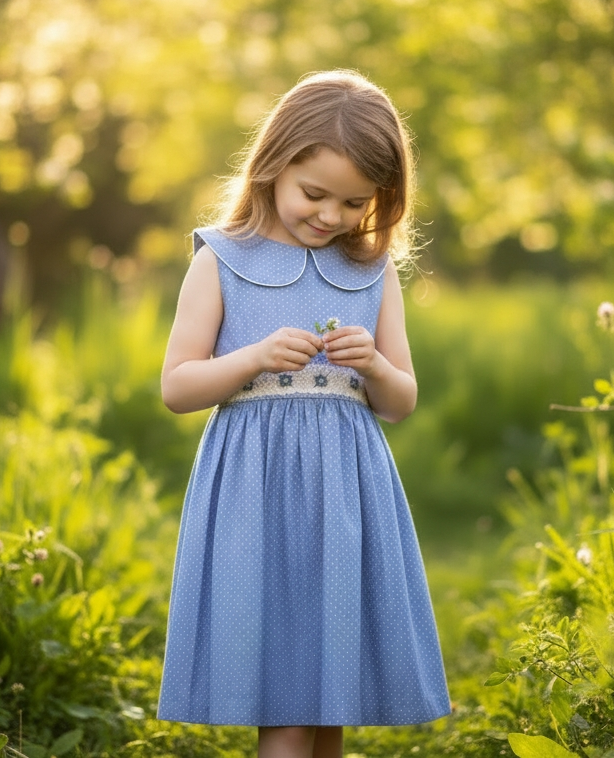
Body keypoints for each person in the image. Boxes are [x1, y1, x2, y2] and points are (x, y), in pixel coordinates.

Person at [157, 70, 450, 758]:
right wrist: (254, 357)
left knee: (328, 704)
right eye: (314, 194)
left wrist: (374, 364)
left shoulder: (371, 272)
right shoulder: (221, 261)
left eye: (353, 202)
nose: (330, 216)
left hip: (346, 498)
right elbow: (177, 386)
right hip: (258, 500)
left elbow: (401, 401)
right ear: (272, 165)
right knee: (287, 704)